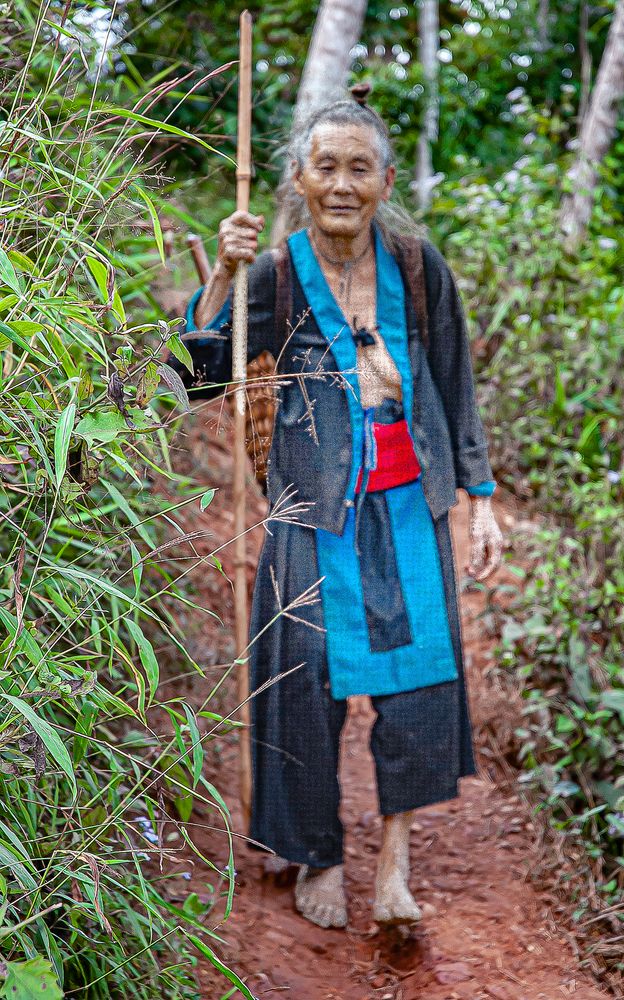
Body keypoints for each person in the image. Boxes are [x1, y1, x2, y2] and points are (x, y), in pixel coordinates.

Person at [166, 93, 504, 930]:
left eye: (360, 168)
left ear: (385, 180)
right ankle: (315, 852)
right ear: (298, 178)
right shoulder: (274, 273)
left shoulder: (419, 266)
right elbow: (198, 372)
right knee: (301, 681)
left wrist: (481, 499)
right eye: (327, 167)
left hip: (408, 509)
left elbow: (455, 387)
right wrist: (220, 272)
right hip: (309, 511)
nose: (343, 184)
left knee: (421, 679)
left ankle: (393, 862)